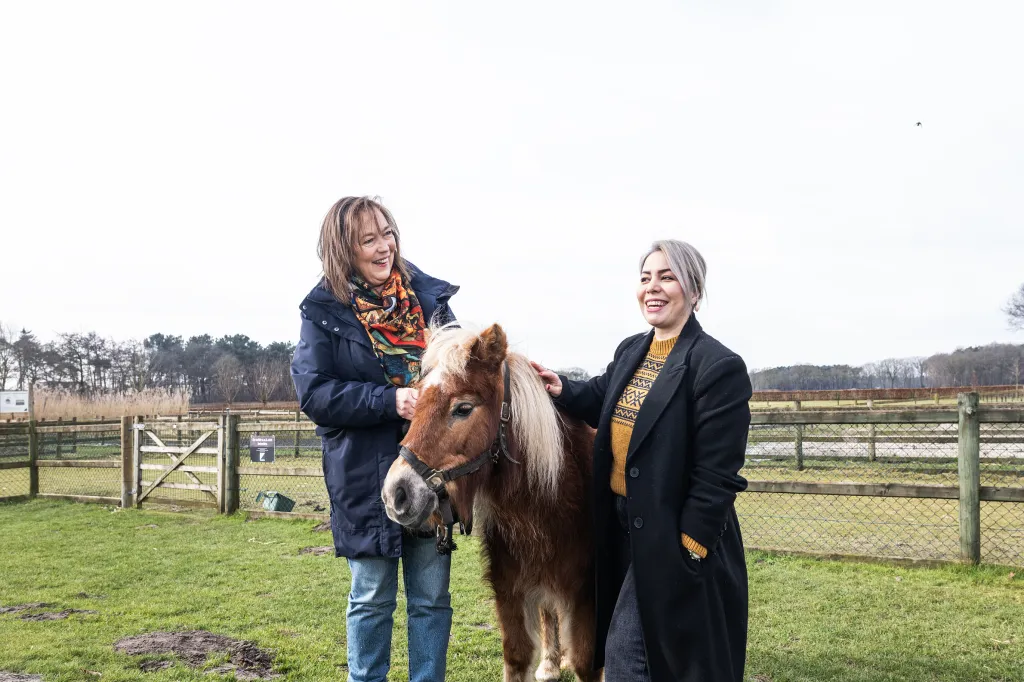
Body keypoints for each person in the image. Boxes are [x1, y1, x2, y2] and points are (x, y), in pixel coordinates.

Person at [532, 239, 752, 682]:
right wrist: (563, 388)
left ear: (694, 290)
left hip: (672, 536)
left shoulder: (717, 366)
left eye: (667, 277)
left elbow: (717, 475)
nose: (653, 287)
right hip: (620, 527)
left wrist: (690, 546)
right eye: (646, 277)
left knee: (627, 653)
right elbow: (602, 398)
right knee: (651, 652)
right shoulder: (632, 350)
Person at [291, 196, 459, 682]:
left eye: (388, 233)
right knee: (371, 598)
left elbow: (461, 370)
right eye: (369, 239)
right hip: (365, 479)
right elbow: (315, 392)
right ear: (344, 249)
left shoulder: (430, 301)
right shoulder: (324, 311)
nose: (385, 246)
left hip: (430, 473)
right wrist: (389, 402)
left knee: (431, 600)